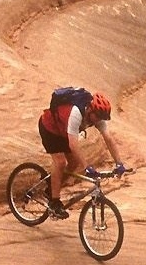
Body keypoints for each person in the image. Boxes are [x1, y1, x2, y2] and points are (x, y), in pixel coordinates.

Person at [37, 87, 127, 219]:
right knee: (61, 162)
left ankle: (50, 187)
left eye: (101, 118)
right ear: (90, 109)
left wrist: (119, 163)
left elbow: (109, 138)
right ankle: (54, 202)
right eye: (97, 116)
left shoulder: (97, 116)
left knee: (73, 164)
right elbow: (73, 145)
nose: (98, 121)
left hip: (64, 132)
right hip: (50, 128)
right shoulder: (76, 113)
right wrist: (87, 167)